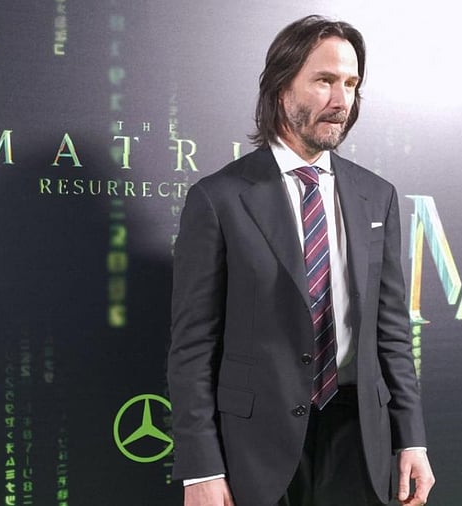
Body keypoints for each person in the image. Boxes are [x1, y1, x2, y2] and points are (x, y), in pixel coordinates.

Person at [167, 14, 435, 506]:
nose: (342, 100)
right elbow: (193, 348)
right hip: (257, 448)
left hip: (360, 441)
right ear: (280, 88)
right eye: (325, 81)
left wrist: (411, 439)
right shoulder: (219, 199)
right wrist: (200, 468)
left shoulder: (378, 196)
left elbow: (392, 333)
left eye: (351, 84)